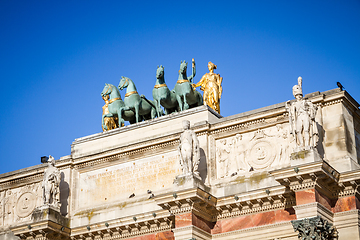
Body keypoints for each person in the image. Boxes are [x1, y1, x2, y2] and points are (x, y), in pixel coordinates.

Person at [286, 77, 318, 151]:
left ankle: (307, 144)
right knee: (298, 131)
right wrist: (287, 106)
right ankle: (301, 144)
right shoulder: (294, 104)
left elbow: (314, 107)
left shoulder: (305, 102)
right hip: (299, 117)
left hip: (305, 116)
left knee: (306, 130)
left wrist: (311, 111)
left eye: (299, 95)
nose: (298, 97)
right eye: (297, 96)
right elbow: (291, 112)